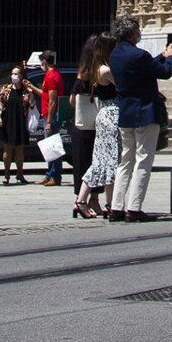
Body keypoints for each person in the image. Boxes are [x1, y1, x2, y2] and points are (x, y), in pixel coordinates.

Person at [109, 16, 172, 221]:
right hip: (145, 113)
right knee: (143, 160)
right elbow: (164, 73)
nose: (139, 33)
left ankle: (117, 207)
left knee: (125, 161)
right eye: (138, 30)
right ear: (132, 33)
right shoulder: (139, 55)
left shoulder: (115, 55)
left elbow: (145, 68)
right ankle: (134, 208)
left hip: (126, 114)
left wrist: (161, 55)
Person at [79, 35, 119, 218]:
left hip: (104, 116)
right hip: (111, 115)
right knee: (110, 161)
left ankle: (81, 201)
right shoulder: (105, 70)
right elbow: (123, 85)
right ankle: (110, 203)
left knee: (101, 161)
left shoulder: (95, 68)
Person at [70, 36, 102, 218]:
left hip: (81, 126)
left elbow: (72, 100)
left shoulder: (81, 73)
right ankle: (86, 201)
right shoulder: (96, 74)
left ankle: (91, 200)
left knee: (84, 164)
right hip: (93, 126)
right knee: (94, 163)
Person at [0, 63, 34, 185]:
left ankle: (20, 174)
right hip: (8, 121)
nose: (14, 76)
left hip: (21, 122)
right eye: (13, 73)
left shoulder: (26, 91)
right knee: (7, 149)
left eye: (16, 74)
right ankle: (6, 174)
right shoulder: (6, 89)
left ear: (22, 76)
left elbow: (32, 105)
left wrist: (31, 92)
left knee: (19, 150)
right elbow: (0, 103)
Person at [37, 49, 65, 185]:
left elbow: (53, 100)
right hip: (48, 115)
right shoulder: (49, 75)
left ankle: (55, 175)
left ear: (44, 61)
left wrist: (48, 120)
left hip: (51, 116)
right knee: (49, 146)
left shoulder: (52, 76)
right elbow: (45, 95)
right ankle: (49, 174)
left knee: (53, 147)